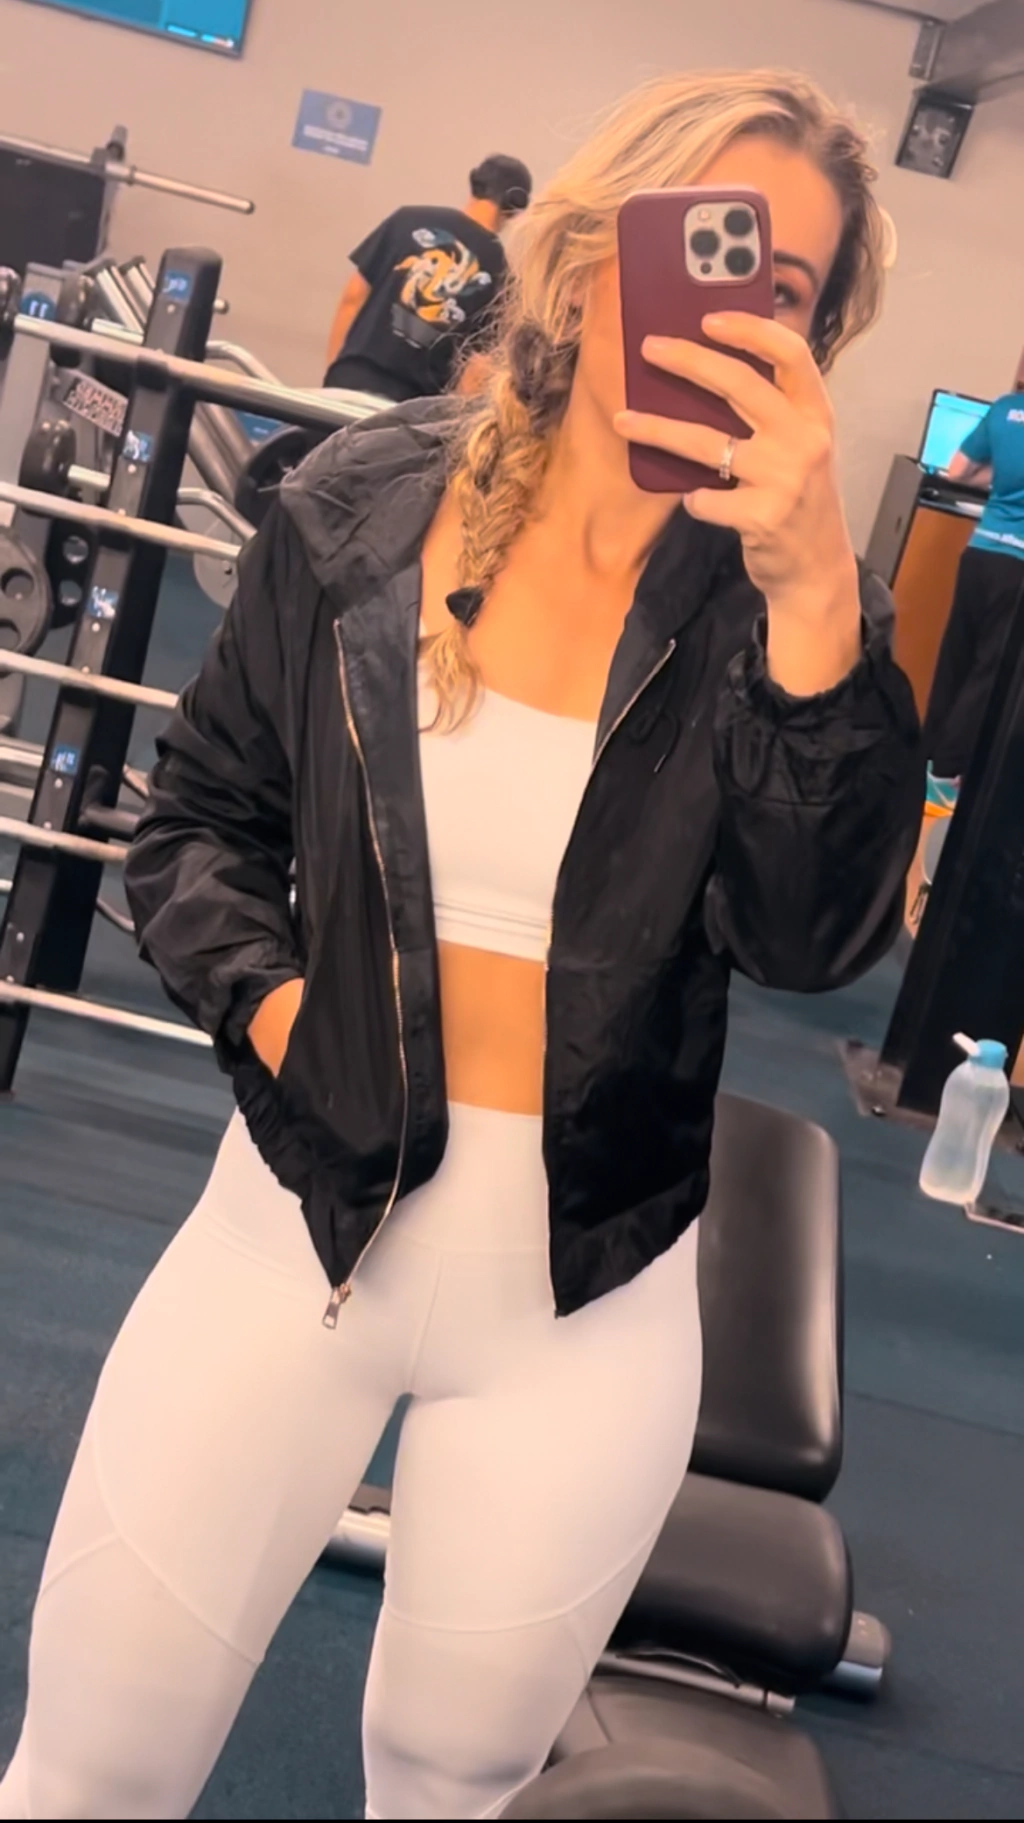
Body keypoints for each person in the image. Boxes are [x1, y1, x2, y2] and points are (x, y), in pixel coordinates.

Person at [0, 69, 922, 1823]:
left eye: (780, 287)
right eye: (695, 243)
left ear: (813, 341)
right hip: (295, 1229)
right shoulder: (360, 499)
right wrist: (289, 1021)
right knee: (88, 1768)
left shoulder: (792, 604)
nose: (722, 304)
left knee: (457, 1785)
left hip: (583, 1299)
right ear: (591, 252)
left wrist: (813, 593)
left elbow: (811, 940)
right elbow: (194, 826)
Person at [322, 154, 532, 401]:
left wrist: (333, 374)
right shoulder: (501, 274)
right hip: (410, 408)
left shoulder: (405, 220)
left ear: (475, 183)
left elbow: (353, 296)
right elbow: (476, 370)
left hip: (348, 381)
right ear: (515, 206)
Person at [922, 382, 1024, 782]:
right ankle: (949, 770)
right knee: (989, 672)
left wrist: (1002, 481)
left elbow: (957, 470)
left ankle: (927, 753)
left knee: (956, 656)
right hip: (1017, 566)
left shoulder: (1004, 409)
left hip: (979, 553)